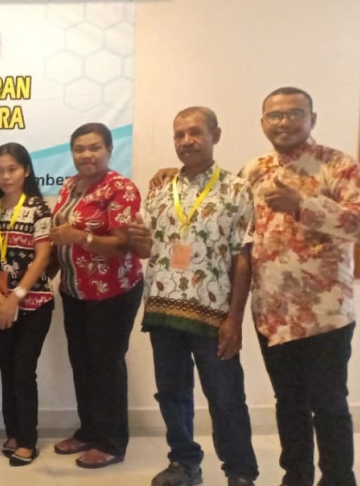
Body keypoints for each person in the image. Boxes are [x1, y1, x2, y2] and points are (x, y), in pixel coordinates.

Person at [150, 87, 360, 486]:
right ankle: (296, 477)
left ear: (312, 119)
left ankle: (338, 479)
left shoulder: (337, 166)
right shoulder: (256, 170)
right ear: (263, 123)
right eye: (275, 116)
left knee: (329, 404)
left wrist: (303, 205)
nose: (284, 122)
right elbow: (218, 202)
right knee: (288, 403)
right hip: (272, 313)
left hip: (325, 313)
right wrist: (173, 174)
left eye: (294, 113)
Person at [128, 107, 258, 486]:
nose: (186, 141)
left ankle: (240, 473)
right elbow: (147, 248)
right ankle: (184, 462)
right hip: (163, 310)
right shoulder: (161, 188)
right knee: (172, 394)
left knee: (225, 397)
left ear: (215, 135)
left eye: (195, 132)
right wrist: (135, 240)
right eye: (179, 134)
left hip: (213, 314)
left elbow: (243, 257)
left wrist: (235, 319)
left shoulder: (236, 189)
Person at [48, 122, 144, 469]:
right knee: (83, 363)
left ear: (109, 150)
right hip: (75, 290)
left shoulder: (121, 188)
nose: (86, 155)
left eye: (94, 148)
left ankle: (111, 442)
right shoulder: (70, 185)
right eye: (79, 149)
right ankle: (89, 430)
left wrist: (81, 238)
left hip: (112, 292)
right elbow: (59, 234)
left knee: (106, 365)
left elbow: (122, 244)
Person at [0, 142, 55, 467]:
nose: (5, 176)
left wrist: (16, 297)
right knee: (7, 370)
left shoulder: (38, 208)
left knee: (24, 371)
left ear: (26, 170)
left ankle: (28, 440)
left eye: (12, 169)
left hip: (34, 303)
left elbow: (42, 258)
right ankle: (13, 432)